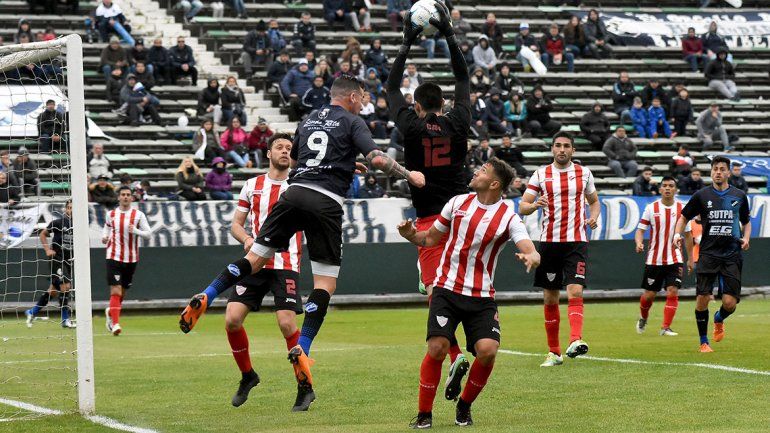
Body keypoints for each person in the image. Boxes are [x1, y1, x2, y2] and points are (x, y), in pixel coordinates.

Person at [179, 74, 425, 411]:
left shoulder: (308, 119)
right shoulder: (352, 121)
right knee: (325, 283)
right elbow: (379, 160)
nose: (363, 103)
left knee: (253, 259)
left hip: (293, 195)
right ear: (353, 97)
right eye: (362, 97)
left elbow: (297, 161)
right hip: (325, 203)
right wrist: (409, 175)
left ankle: (207, 294)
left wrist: (342, 163)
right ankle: (303, 347)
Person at [401, 158, 540, 429]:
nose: (476, 172)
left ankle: (464, 406)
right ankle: (424, 414)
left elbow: (530, 248)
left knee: (487, 351)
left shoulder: (508, 217)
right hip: (446, 288)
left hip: (481, 296)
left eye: (483, 171)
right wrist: (410, 234)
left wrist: (532, 256)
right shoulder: (457, 203)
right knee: (437, 347)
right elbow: (429, 239)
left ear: (494, 184)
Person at [385, 5, 474, 403]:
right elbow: (463, 77)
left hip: (431, 222)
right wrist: (450, 35)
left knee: (436, 292)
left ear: (417, 106)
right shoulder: (457, 121)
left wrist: (407, 43)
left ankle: (455, 354)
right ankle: (473, 341)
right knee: (463, 285)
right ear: (444, 103)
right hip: (464, 216)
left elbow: (390, 90)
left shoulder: (410, 125)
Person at [219, 133, 305, 407]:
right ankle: (248, 376)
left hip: (286, 262)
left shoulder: (299, 186)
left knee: (287, 324)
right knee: (232, 319)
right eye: (279, 147)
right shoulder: (252, 185)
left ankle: (305, 385)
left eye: (288, 148)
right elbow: (236, 224)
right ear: (268, 153)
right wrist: (246, 239)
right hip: (255, 262)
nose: (284, 151)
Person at [519, 131, 600, 367]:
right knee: (550, 297)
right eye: (558, 145)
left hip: (576, 242)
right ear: (552, 149)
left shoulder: (584, 173)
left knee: (575, 290)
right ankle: (554, 352)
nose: (562, 149)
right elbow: (523, 206)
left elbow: (594, 201)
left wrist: (593, 217)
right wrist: (535, 205)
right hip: (549, 243)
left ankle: (575, 339)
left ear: (573, 150)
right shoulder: (540, 174)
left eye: (566, 146)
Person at [673, 156, 750, 352]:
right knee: (702, 298)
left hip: (732, 254)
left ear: (728, 172)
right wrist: (676, 234)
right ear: (711, 171)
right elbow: (683, 217)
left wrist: (746, 238)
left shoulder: (739, 195)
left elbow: (746, 221)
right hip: (708, 254)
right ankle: (703, 341)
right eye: (715, 169)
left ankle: (719, 318)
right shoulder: (701, 195)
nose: (718, 172)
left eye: (722, 169)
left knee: (730, 303)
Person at [634, 177, 687, 336]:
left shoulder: (683, 209)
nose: (668, 188)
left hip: (675, 258)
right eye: (665, 186)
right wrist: (639, 243)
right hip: (654, 259)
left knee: (673, 291)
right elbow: (640, 230)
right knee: (649, 296)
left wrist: (691, 258)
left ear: (675, 190)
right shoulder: (651, 208)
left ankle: (665, 327)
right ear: (660, 189)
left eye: (671, 186)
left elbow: (689, 234)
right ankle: (643, 317)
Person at [102, 186, 152, 336]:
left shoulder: (138, 215)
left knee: (122, 292)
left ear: (131, 198)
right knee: (115, 290)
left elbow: (148, 234)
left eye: (128, 195)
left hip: (131, 258)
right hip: (113, 256)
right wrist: (104, 236)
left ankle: (111, 312)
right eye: (123, 194)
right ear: (118, 197)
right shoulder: (111, 214)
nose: (125, 197)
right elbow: (107, 228)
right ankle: (115, 323)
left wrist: (135, 231)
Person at [25, 200, 76, 328]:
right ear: (66, 209)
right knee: (66, 286)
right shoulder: (58, 223)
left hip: (69, 261)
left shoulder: (79, 225)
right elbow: (43, 234)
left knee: (53, 291)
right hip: (57, 259)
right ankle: (65, 320)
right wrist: (48, 249)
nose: (71, 210)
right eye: (69, 208)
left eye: (73, 208)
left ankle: (32, 312)